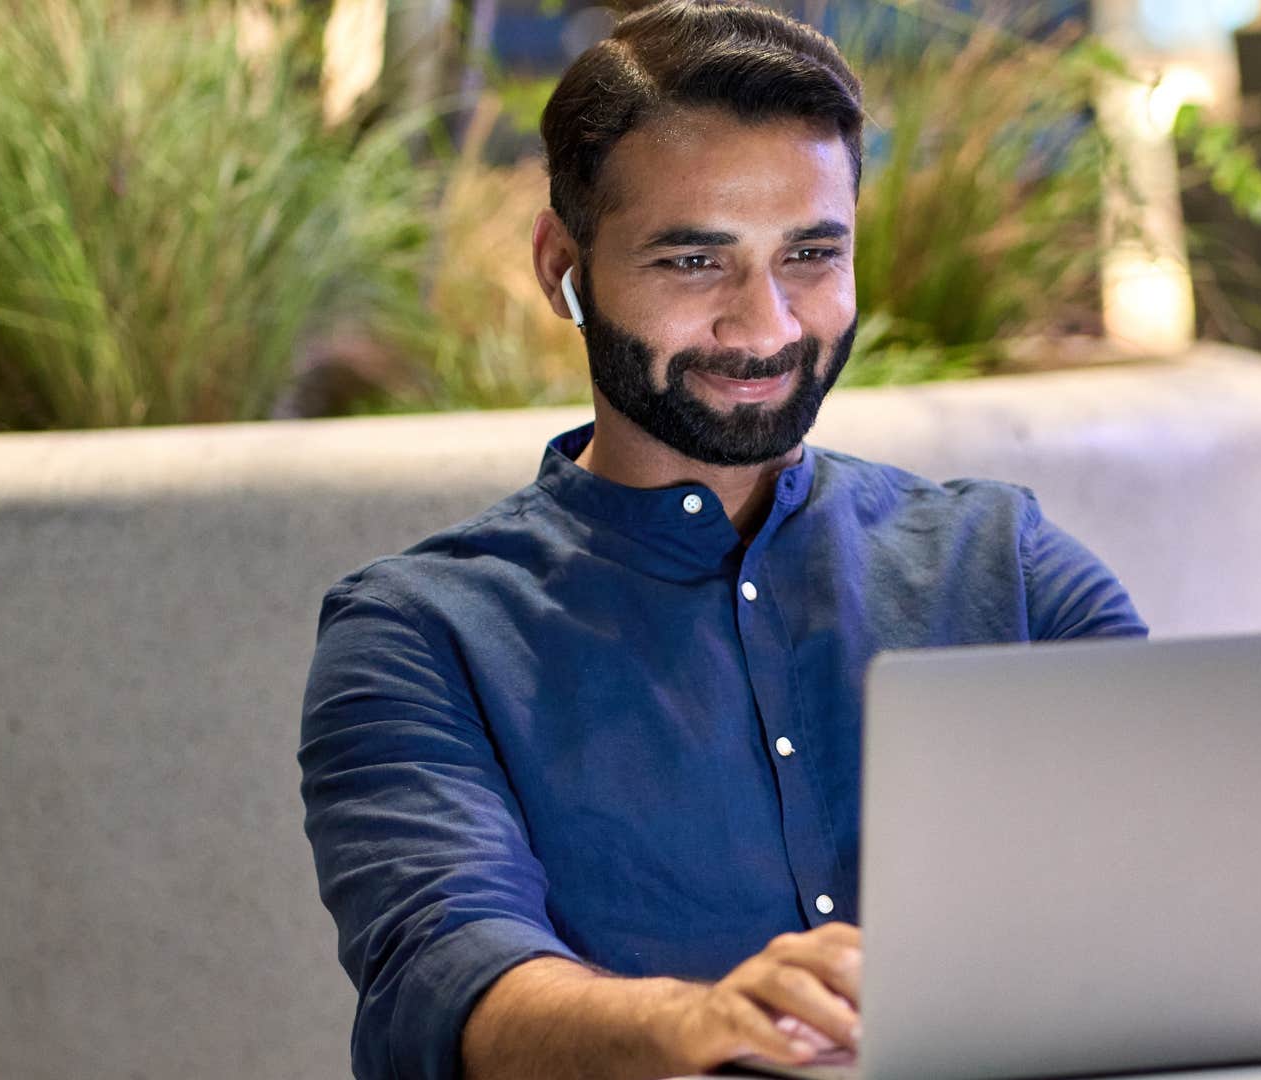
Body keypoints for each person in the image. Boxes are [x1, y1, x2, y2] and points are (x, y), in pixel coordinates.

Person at [297, 3, 1147, 1078]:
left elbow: (1172, 880)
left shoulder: (1008, 567)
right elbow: (448, 977)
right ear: (564, 264)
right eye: (695, 262)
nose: (768, 325)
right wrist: (697, 1027)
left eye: (809, 254)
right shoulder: (419, 636)